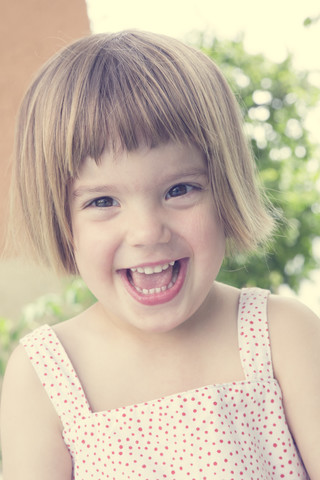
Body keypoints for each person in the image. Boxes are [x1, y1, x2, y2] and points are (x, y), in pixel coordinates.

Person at [0, 30, 319, 480]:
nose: (147, 232)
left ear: (225, 191)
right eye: (103, 202)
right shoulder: (45, 377)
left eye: (179, 189)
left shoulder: (282, 336)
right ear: (61, 218)